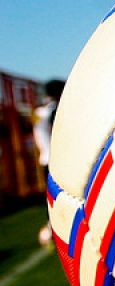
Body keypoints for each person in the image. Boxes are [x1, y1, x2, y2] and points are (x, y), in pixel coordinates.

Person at [34, 78, 64, 246]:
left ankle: (52, 227)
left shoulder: (39, 111)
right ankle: (54, 228)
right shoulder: (54, 110)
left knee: (52, 198)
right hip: (56, 158)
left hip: (45, 158)